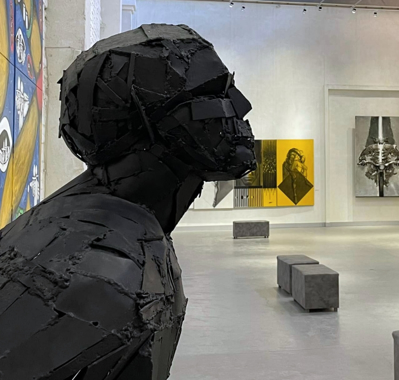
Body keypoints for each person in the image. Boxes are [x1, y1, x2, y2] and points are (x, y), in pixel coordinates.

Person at [0, 24, 255, 379]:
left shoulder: (83, 223)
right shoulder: (110, 275)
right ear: (148, 124)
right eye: (215, 94)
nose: (242, 106)